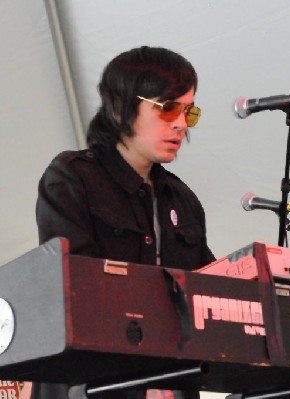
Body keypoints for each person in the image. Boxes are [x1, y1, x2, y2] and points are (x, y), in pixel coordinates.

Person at [35, 46, 215, 399]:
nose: (180, 123)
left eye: (188, 112)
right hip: (91, 386)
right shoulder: (72, 178)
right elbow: (77, 288)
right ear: (121, 108)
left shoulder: (181, 198)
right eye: (167, 109)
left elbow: (208, 290)